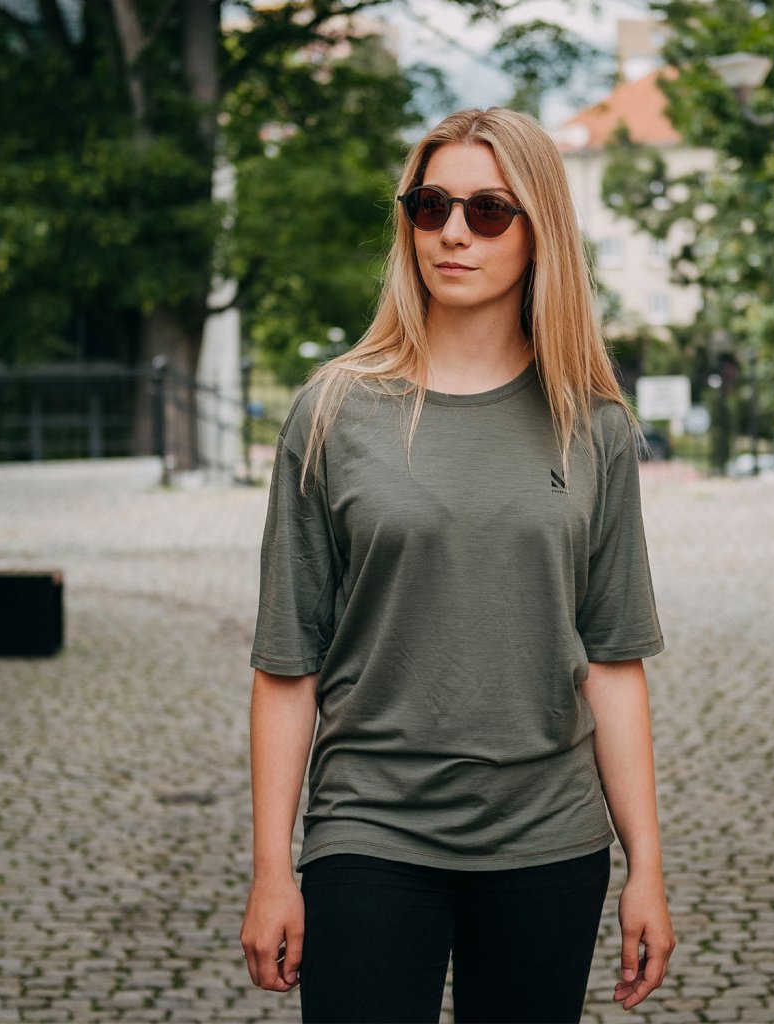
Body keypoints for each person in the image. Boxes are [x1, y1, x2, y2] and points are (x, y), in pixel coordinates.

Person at [240, 107, 676, 1023]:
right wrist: (273, 868)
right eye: (430, 205)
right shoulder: (333, 413)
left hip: (547, 839)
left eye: (488, 211)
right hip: (370, 829)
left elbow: (612, 659)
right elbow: (287, 662)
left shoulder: (592, 423)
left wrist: (647, 866)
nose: (452, 232)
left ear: (538, 231)